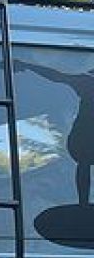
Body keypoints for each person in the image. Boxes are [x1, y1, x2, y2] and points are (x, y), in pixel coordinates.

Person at [14, 58, 94, 203]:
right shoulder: (88, 82)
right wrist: (26, 65)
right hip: (84, 137)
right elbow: (56, 76)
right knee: (84, 160)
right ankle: (83, 203)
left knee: (84, 161)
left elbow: (58, 76)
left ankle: (83, 203)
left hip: (83, 137)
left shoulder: (87, 82)